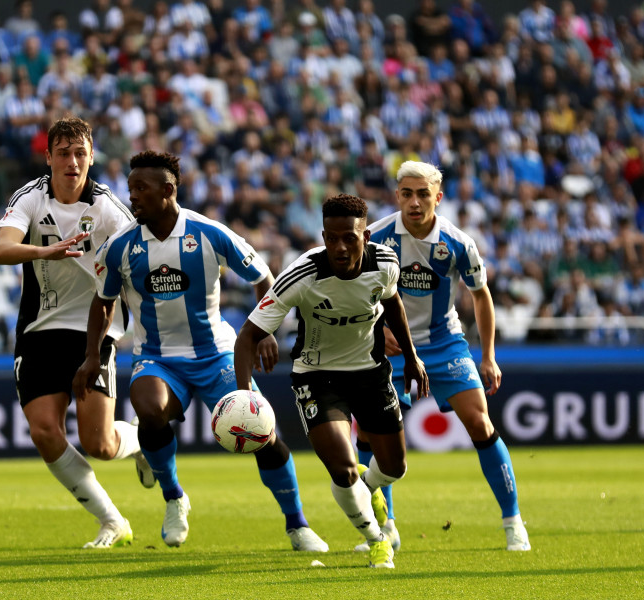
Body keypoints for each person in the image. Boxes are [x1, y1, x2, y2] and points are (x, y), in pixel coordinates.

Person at [73, 150, 328, 552]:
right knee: (149, 411)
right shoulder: (120, 246)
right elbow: (103, 302)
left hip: (217, 355)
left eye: (141, 189)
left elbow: (264, 278)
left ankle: (298, 524)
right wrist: (91, 355)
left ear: (168, 190)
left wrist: (264, 331)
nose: (132, 197)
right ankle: (174, 497)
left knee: (264, 434)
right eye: (130, 188)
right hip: (157, 357)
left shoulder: (209, 233)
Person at [234, 194, 428, 568]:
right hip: (317, 377)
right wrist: (246, 398)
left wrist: (412, 355)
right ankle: (377, 539)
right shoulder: (301, 275)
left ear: (366, 235)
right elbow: (247, 336)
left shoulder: (386, 264)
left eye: (350, 238)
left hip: (370, 373)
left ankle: (364, 490)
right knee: (344, 466)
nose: (340, 247)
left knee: (395, 468)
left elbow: (393, 305)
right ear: (323, 236)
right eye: (332, 238)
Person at [0, 116, 151, 550]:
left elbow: (140, 263)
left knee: (99, 443)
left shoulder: (109, 210)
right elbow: (0, 250)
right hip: (40, 331)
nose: (72, 161)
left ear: (91, 157)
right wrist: (46, 250)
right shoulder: (29, 198)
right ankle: (112, 519)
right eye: (63, 153)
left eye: (80, 153)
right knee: (44, 430)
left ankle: (144, 442)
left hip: (92, 334)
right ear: (48, 158)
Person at [358, 160, 530, 552]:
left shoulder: (457, 243)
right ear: (397, 196)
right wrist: (374, 329)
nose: (414, 202)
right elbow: (354, 289)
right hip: (390, 345)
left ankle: (513, 521)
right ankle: (385, 528)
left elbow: (481, 295)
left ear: (438, 196)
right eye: (407, 193)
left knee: (479, 421)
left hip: (443, 342)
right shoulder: (375, 237)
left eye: (423, 194)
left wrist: (488, 355)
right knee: (371, 433)